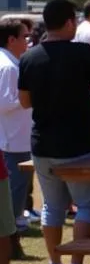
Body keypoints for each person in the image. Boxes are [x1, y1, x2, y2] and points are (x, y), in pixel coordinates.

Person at [18, 0, 90, 264]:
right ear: (70, 21)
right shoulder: (82, 52)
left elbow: (25, 101)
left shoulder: (29, 57)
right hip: (77, 144)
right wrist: (89, 101)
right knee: (87, 204)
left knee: (52, 206)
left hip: (42, 143)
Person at [0, 20, 33, 237]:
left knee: (18, 187)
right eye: (24, 37)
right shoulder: (8, 67)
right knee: (15, 188)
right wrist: (30, 98)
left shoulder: (10, 63)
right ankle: (11, 233)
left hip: (15, 135)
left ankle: (13, 228)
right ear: (12, 40)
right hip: (13, 138)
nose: (28, 42)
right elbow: (3, 103)